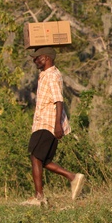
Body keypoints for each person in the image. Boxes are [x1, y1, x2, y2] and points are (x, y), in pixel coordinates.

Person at [24, 47, 85, 206]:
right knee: (42, 160)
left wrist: (57, 125)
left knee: (36, 157)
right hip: (43, 122)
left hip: (48, 122)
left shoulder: (52, 76)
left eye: (38, 58)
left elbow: (59, 100)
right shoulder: (46, 74)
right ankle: (73, 177)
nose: (35, 60)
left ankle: (39, 197)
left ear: (47, 58)